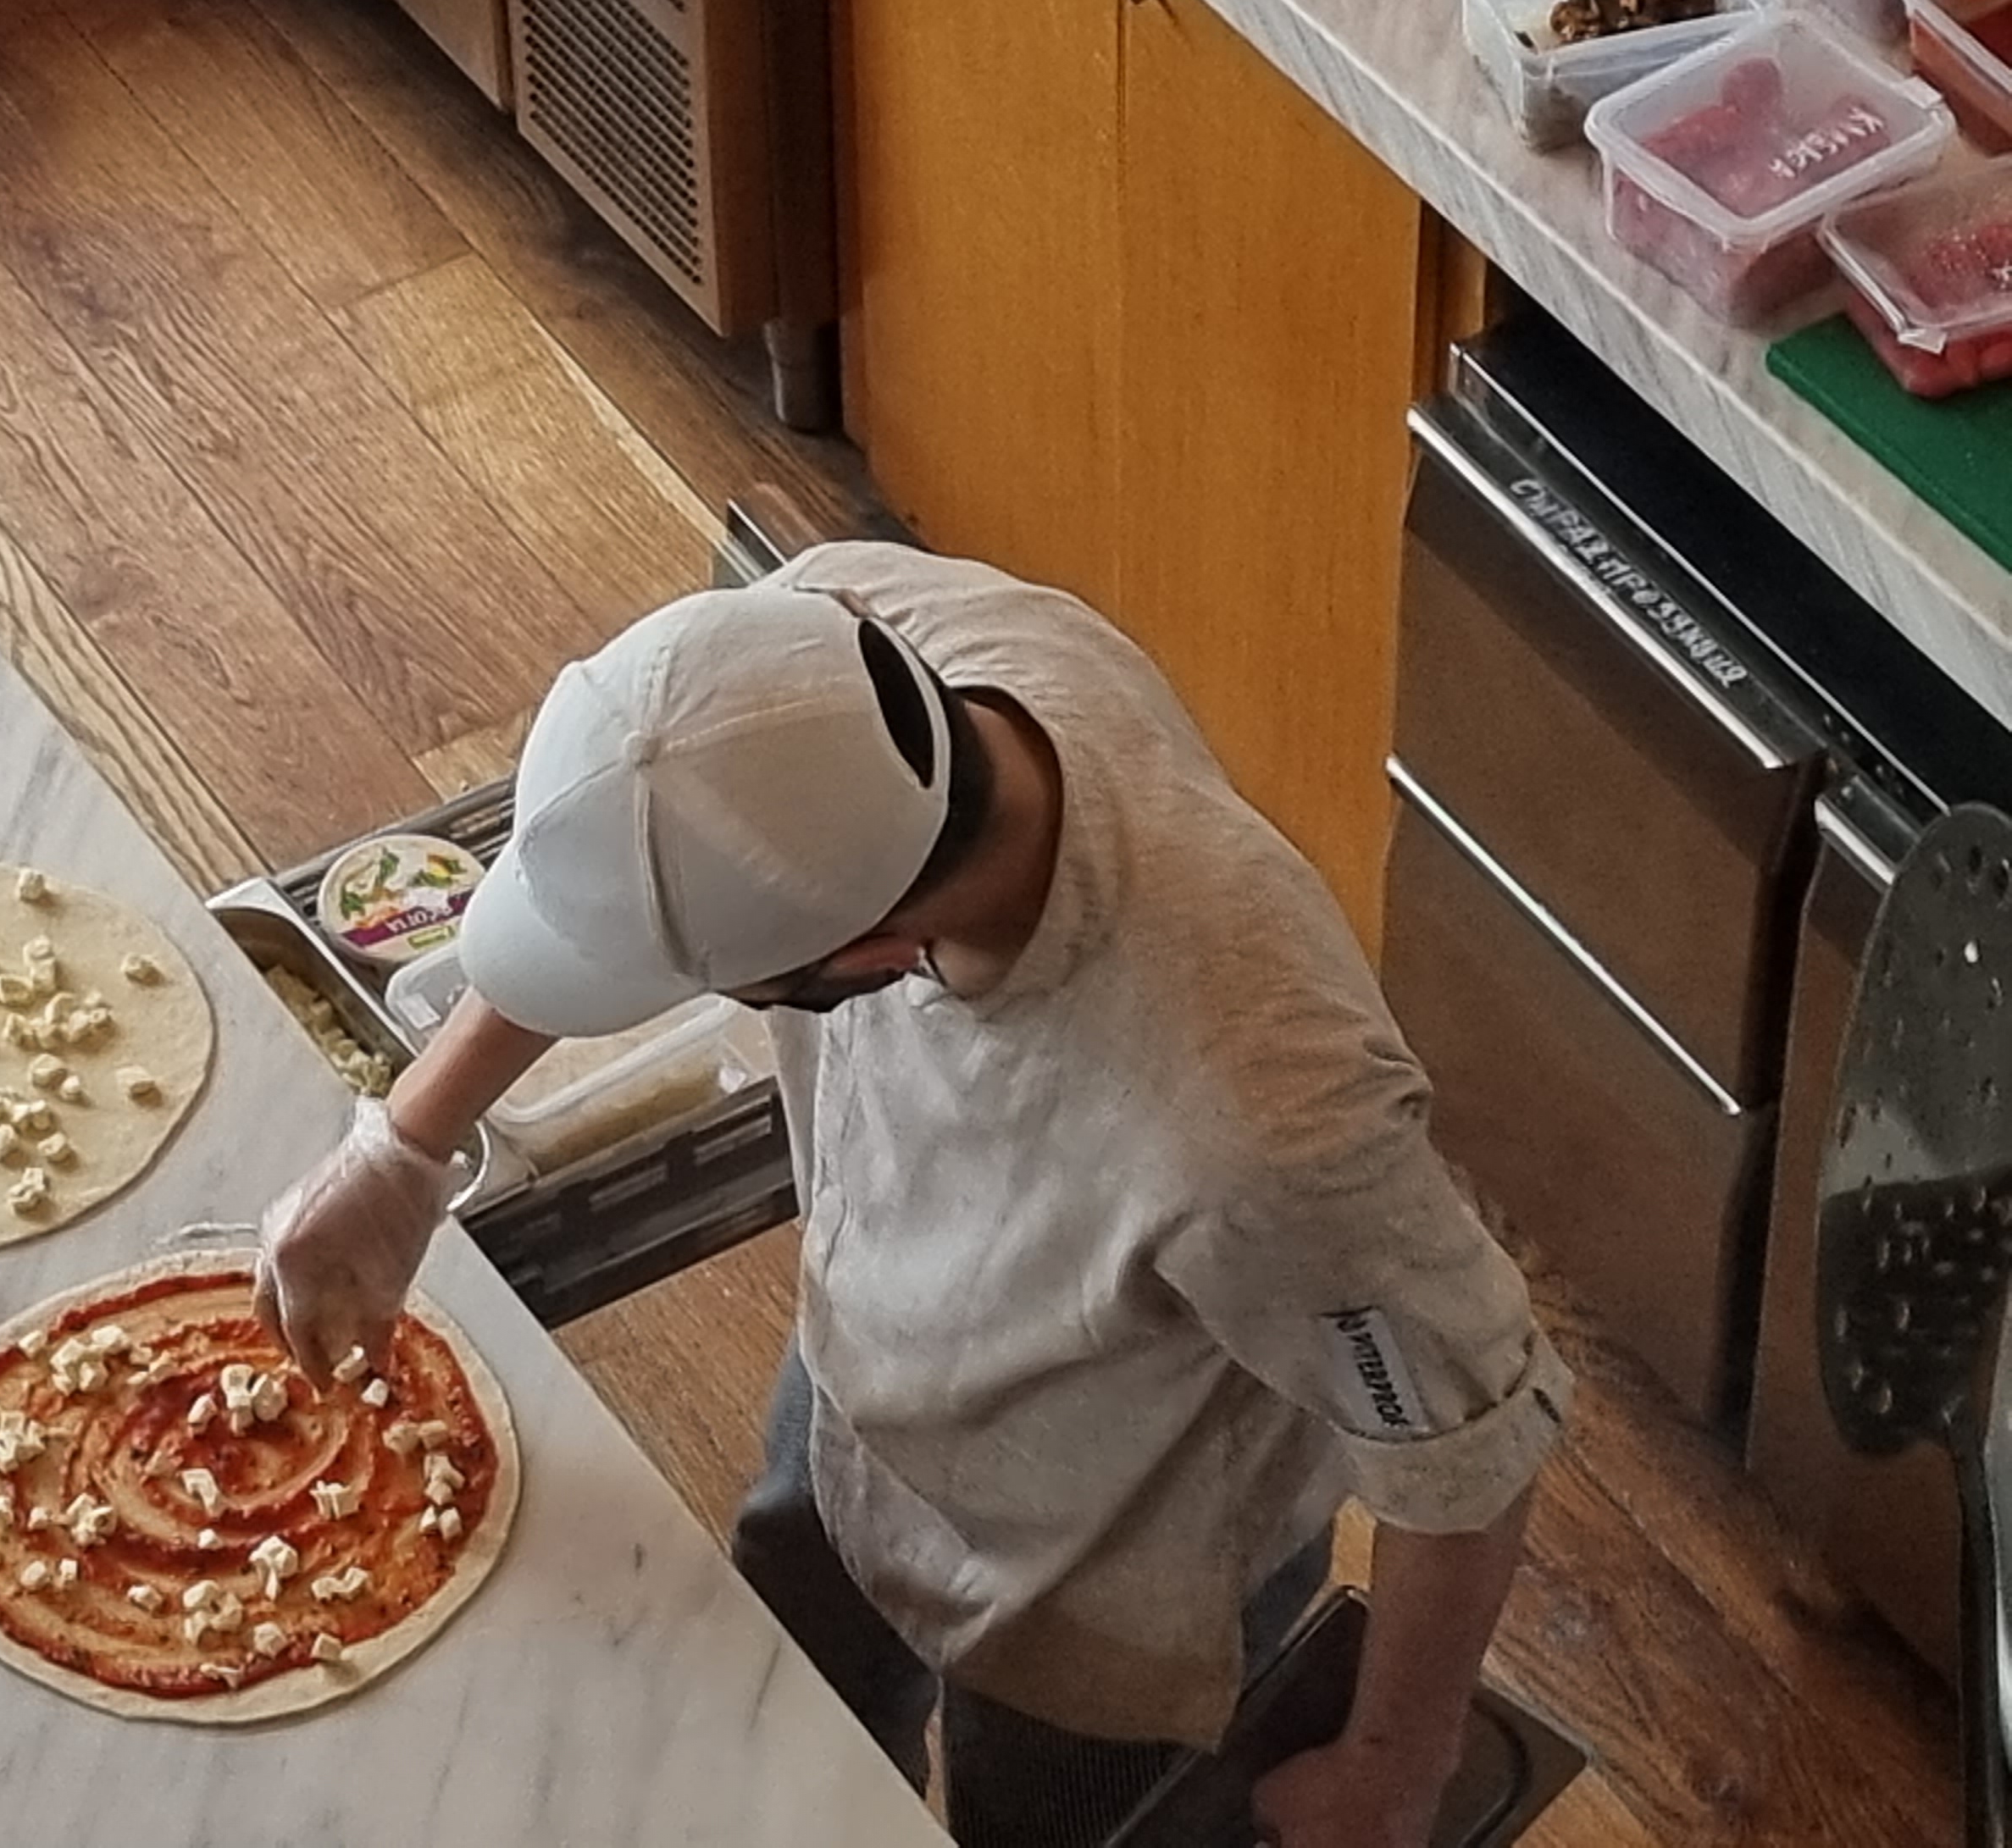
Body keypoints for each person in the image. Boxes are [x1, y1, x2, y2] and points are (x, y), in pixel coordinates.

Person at [252, 540, 1569, 1848]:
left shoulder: (1263, 1127)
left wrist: (1394, 1765)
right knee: (791, 1715)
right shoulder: (837, 640)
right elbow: (635, 870)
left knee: (1042, 1820)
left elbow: (1465, 1438)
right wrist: (405, 1149)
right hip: (857, 1368)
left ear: (880, 956)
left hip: (1098, 1568)